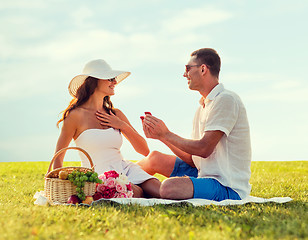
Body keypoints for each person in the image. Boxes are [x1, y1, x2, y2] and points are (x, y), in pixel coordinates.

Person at [138, 48, 251, 201]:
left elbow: (204, 149)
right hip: (202, 173)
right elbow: (193, 159)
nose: (185, 74)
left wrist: (166, 133)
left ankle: (135, 191)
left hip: (226, 186)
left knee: (168, 188)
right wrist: (161, 136)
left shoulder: (226, 99)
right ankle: (115, 182)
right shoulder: (203, 107)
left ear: (203, 69)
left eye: (187, 68)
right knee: (154, 158)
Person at [53, 59, 161, 198]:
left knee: (163, 191)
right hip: (100, 178)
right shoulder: (75, 116)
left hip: (126, 169)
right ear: (94, 81)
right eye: (110, 78)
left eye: (114, 78)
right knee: (138, 192)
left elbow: (144, 150)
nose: (115, 82)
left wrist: (121, 125)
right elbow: (58, 157)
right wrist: (57, 185)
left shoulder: (116, 114)